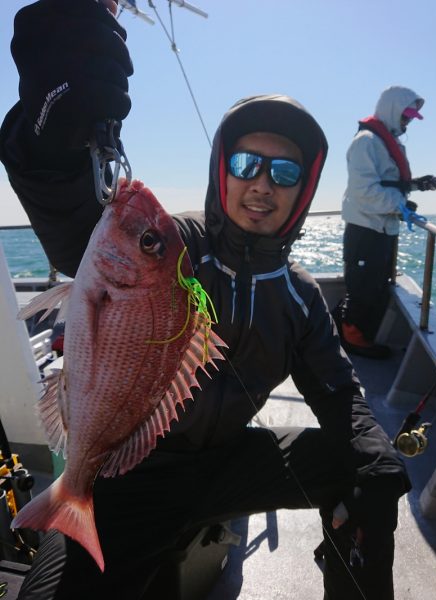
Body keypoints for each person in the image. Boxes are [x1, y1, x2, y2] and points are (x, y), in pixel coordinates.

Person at [0, 2, 410, 599]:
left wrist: (373, 453)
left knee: (365, 473)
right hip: (135, 473)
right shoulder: (175, 250)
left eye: (285, 173)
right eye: (247, 164)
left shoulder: (299, 294)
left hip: (229, 464)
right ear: (223, 170)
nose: (263, 184)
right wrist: (55, 136)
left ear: (305, 189)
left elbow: (338, 390)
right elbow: (75, 232)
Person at [339, 85, 436, 359]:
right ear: (392, 110)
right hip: (365, 228)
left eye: (410, 118)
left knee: (373, 284)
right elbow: (365, 190)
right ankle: (351, 340)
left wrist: (417, 184)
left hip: (381, 228)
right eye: (405, 116)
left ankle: (358, 334)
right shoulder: (366, 142)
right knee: (362, 287)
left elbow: (389, 182)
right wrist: (400, 205)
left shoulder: (387, 142)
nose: (407, 122)